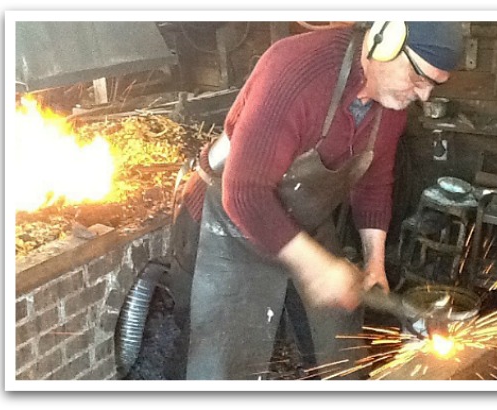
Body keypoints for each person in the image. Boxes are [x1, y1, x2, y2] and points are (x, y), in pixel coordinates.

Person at [166, 21, 463, 380]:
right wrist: (318, 267)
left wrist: (374, 264)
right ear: (383, 43)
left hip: (301, 218)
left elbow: (374, 180)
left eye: (433, 85)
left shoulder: (390, 105)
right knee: (220, 364)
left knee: (338, 342)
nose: (424, 95)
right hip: (225, 224)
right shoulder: (297, 70)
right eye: (418, 78)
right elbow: (244, 193)